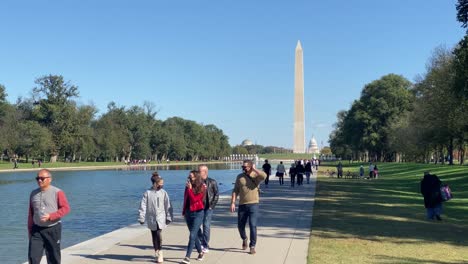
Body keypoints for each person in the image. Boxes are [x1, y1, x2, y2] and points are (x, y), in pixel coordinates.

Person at [28, 169, 71, 264]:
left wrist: (51, 216)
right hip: (36, 230)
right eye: (37, 178)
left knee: (53, 257)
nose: (39, 180)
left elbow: (66, 208)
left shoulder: (58, 192)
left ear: (49, 179)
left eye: (42, 178)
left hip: (53, 229)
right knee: (32, 257)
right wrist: (29, 231)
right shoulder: (33, 193)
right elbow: (31, 214)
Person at [230, 160, 266, 255]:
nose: (244, 168)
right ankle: (244, 238)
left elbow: (264, 176)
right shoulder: (239, 177)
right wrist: (233, 202)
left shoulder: (256, 175)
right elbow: (235, 190)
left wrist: (254, 169)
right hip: (242, 204)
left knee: (252, 225)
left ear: (250, 166)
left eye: (246, 166)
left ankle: (252, 246)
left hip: (254, 204)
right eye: (243, 166)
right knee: (240, 226)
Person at [139, 174, 173, 263]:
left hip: (161, 217)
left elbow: (168, 205)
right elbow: (143, 206)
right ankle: (156, 251)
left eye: (162, 184)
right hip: (151, 218)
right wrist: (141, 217)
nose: (162, 185)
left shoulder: (163, 192)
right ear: (155, 183)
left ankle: (160, 251)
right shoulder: (147, 193)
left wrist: (169, 216)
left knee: (158, 233)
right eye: (160, 183)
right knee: (154, 235)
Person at [181, 171, 207, 264]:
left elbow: (195, 199)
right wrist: (184, 211)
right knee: (194, 235)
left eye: (191, 177)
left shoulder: (202, 187)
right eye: (189, 176)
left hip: (198, 213)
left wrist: (190, 189)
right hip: (188, 213)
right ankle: (200, 252)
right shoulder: (188, 186)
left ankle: (187, 257)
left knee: (192, 235)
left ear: (196, 177)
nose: (189, 178)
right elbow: (186, 199)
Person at [197, 165, 219, 253]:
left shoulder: (212, 182)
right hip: (198, 208)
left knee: (206, 226)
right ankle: (202, 239)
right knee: (196, 226)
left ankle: (205, 245)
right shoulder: (196, 182)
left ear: (205, 172)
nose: (198, 173)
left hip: (208, 208)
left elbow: (216, 195)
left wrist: (212, 205)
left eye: (199, 171)